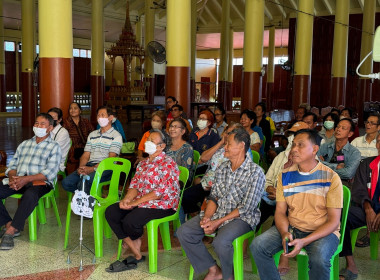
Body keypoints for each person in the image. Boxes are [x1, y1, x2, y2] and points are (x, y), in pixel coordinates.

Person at [251, 129, 343, 280]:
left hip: (323, 231)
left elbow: (333, 221)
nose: (294, 149)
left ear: (314, 149)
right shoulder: (285, 176)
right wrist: (284, 232)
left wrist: (304, 241)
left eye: (300, 145)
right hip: (293, 228)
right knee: (258, 246)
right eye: (293, 144)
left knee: (319, 259)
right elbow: (280, 212)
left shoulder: (331, 177)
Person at [178, 127, 265, 280]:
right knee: (184, 232)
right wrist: (208, 217)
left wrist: (217, 222)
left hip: (242, 218)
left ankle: (228, 275)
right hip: (219, 213)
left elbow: (247, 208)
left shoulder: (255, 172)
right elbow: (214, 197)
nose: (225, 147)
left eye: (228, 144)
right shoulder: (222, 168)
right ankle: (213, 269)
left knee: (220, 242)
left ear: (241, 146)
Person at [104, 130, 180, 272]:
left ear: (161, 146)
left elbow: (159, 193)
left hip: (163, 204)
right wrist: (127, 200)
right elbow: (135, 186)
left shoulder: (168, 164)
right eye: (147, 139)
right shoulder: (143, 164)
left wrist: (134, 203)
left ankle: (134, 241)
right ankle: (136, 250)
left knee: (130, 221)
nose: (147, 143)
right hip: (143, 201)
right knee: (112, 212)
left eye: (152, 140)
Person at [0, 113, 61, 250]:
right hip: (19, 179)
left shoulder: (54, 147)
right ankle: (8, 223)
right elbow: (12, 165)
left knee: (30, 194)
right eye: (36, 123)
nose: (38, 126)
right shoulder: (25, 144)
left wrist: (25, 179)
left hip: (39, 183)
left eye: (42, 124)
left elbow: (49, 173)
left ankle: (11, 231)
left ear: (50, 128)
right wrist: (13, 178)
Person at [339, 132, 380, 280]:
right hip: (367, 209)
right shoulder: (367, 164)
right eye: (379, 141)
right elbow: (359, 189)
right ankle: (350, 265)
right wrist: (368, 209)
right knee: (340, 215)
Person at [181, 122, 245, 217]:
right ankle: (196, 216)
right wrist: (220, 143)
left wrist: (215, 186)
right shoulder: (221, 148)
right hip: (207, 183)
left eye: (232, 133)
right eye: (227, 133)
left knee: (210, 203)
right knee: (185, 196)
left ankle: (204, 218)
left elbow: (234, 176)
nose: (228, 136)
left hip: (222, 188)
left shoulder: (240, 152)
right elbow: (203, 158)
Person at [62, 106, 122, 194]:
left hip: (107, 168)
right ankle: (89, 198)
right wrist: (81, 168)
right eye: (98, 115)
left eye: (103, 115)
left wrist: (92, 169)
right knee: (66, 183)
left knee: (84, 181)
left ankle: (84, 202)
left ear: (111, 118)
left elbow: (111, 159)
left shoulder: (116, 136)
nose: (100, 118)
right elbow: (86, 154)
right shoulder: (92, 134)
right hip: (89, 165)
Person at [318, 118, 361, 183]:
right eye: (338, 126)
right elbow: (315, 164)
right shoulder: (325, 146)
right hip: (322, 181)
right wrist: (336, 166)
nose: (338, 129)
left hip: (342, 184)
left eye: (343, 128)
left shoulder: (354, 152)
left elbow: (348, 174)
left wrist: (324, 166)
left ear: (350, 134)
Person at [63, 102, 94, 174]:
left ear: (80, 111)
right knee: (84, 153)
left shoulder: (85, 121)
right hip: (73, 148)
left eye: (75, 108)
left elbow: (92, 133)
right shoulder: (66, 123)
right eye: (71, 108)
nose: (72, 110)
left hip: (87, 146)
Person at [48, 107, 71, 172]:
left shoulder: (63, 132)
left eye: (52, 118)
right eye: (48, 117)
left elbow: (54, 151)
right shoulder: (45, 129)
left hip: (56, 161)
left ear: (59, 120)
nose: (50, 120)